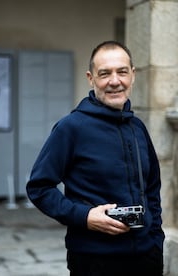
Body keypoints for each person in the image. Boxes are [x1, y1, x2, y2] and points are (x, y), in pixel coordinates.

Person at [26, 41, 164, 276]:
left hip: (146, 258)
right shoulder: (70, 128)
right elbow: (39, 188)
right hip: (94, 261)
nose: (114, 81)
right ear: (91, 78)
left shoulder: (138, 127)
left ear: (133, 75)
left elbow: (152, 188)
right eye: (104, 73)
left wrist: (156, 240)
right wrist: (85, 216)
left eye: (122, 72)